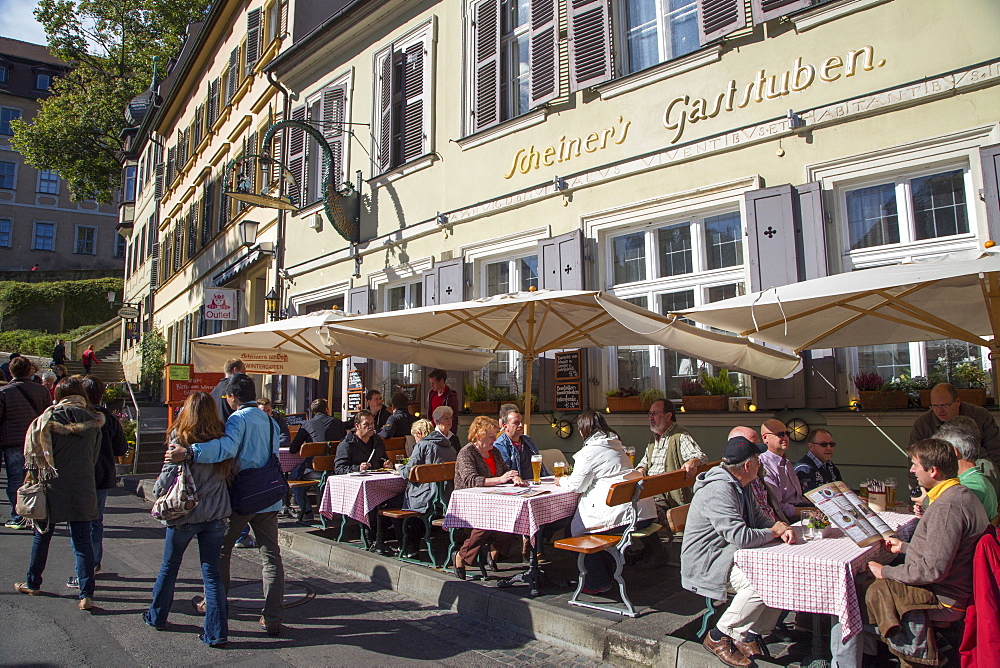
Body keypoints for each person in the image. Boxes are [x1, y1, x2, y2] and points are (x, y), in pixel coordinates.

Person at [167, 373, 286, 636]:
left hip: (244, 496)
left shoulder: (238, 419)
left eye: (228, 397)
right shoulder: (269, 420)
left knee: (222, 551)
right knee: (271, 556)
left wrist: (190, 452)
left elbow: (227, 449)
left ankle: (215, 602)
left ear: (233, 397)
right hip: (269, 495)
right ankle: (273, 616)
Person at [865, 438, 989, 664]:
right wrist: (904, 547)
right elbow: (942, 550)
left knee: (870, 590)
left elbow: (932, 570)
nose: (912, 470)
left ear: (933, 470)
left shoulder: (948, 507)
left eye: (915, 465)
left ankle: (915, 657)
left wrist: (886, 572)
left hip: (944, 597)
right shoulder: (960, 495)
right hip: (955, 585)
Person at [681, 432, 795, 667]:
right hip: (709, 560)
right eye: (758, 460)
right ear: (747, 465)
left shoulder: (742, 484)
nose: (761, 464)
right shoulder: (720, 490)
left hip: (729, 553)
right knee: (759, 582)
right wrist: (773, 532)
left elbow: (758, 518)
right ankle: (719, 636)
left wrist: (777, 527)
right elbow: (740, 536)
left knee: (781, 573)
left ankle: (747, 634)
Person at [145, 392, 234, 647]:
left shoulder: (180, 439)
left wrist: (157, 493)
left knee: (170, 567)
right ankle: (216, 633)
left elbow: (166, 476)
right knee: (212, 575)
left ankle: (157, 616)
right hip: (216, 512)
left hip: (184, 513)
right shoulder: (221, 439)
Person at [15, 376, 105, 611]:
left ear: (57, 395)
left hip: (51, 485)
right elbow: (93, 458)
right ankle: (86, 594)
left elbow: (34, 461)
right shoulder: (95, 420)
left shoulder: (44, 421)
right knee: (83, 540)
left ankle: (33, 582)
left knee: (42, 536)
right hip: (83, 486)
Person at [558, 410, 656, 594]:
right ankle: (607, 573)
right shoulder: (615, 445)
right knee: (585, 531)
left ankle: (597, 581)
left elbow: (576, 486)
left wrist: (560, 481)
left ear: (582, 431)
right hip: (643, 513)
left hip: (622, 516)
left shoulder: (589, 452)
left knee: (571, 533)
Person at [67, 377, 128, 583]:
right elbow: (121, 449)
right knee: (96, 521)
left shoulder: (75, 417)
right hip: (102, 475)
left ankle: (83, 571)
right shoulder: (108, 418)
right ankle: (93, 563)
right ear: (102, 394)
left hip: (78, 476)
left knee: (79, 523)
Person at [452, 415, 526, 579]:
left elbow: (505, 470)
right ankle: (460, 557)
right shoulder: (467, 453)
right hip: (469, 505)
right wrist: (499, 480)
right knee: (484, 523)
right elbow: (471, 480)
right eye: (491, 436)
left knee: (511, 518)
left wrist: (514, 477)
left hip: (493, 502)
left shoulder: (495, 452)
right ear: (479, 435)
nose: (495, 439)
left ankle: (494, 551)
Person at [911, 383, 1000, 493]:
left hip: (975, 474)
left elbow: (996, 452)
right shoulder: (923, 423)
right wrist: (917, 493)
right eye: (935, 406)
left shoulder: (980, 416)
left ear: (957, 401)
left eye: (945, 405)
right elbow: (915, 461)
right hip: (937, 481)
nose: (940, 410)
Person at [394, 414, 458, 558]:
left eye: (415, 437)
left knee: (392, 503)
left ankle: (407, 546)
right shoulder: (448, 445)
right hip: (445, 495)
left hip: (428, 496)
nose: (415, 440)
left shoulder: (422, 445)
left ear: (419, 434)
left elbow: (410, 473)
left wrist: (399, 468)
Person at [0, 355, 52, 529]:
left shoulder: (4, 392)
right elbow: (47, 417)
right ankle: (37, 513)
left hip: (13, 441)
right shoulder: (42, 391)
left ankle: (19, 516)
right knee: (37, 479)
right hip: (37, 441)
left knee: (15, 480)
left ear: (11, 371)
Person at [636, 398, 707, 509]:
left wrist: (693, 462)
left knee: (642, 512)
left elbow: (700, 456)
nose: (650, 418)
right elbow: (644, 463)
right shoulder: (654, 438)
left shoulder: (680, 435)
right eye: (649, 414)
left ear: (668, 416)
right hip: (649, 493)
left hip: (668, 498)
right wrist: (641, 469)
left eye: (654, 414)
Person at [334, 409, 390, 549]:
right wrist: (357, 468)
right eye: (366, 424)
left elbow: (384, 458)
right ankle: (370, 538)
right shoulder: (346, 444)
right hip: (355, 488)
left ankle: (389, 536)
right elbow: (339, 469)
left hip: (377, 484)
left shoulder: (377, 442)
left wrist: (387, 463)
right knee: (370, 501)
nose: (371, 427)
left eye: (372, 423)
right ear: (357, 426)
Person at [288, 398, 347, 523]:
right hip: (335, 467)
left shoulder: (307, 425)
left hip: (315, 468)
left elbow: (293, 449)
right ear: (327, 410)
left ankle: (306, 511)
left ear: (313, 412)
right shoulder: (338, 423)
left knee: (293, 476)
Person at [935, 417, 998, 519]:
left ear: (954, 452)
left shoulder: (971, 484)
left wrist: (926, 501)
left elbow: (948, 516)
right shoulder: (970, 479)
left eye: (942, 450)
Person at [759, 419, 808, 520]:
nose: (786, 438)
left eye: (787, 434)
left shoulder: (785, 460)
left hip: (799, 510)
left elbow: (797, 498)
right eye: (780, 434)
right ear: (765, 438)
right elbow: (778, 507)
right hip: (785, 520)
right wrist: (809, 512)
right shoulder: (763, 465)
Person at [494, 406, 543, 480]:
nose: (521, 425)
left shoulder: (528, 440)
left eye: (521, 422)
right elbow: (505, 471)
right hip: (516, 486)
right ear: (505, 426)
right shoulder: (500, 445)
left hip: (536, 482)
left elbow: (541, 468)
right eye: (516, 423)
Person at [794, 429, 842, 493]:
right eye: (823, 444)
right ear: (811, 446)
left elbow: (842, 489)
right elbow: (810, 498)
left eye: (831, 444)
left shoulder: (830, 466)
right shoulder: (803, 469)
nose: (829, 448)